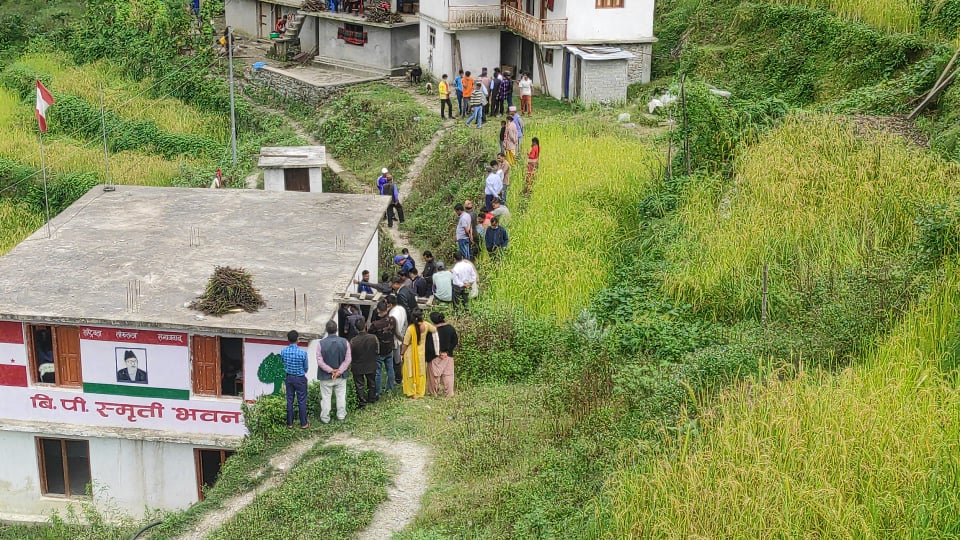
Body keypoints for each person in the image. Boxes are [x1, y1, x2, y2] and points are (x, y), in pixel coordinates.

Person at [316, 320, 352, 424]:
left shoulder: (320, 344)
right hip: (340, 376)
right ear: (336, 329)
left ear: (326, 330)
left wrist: (331, 370)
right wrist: (339, 371)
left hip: (325, 376)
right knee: (341, 396)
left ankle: (325, 418)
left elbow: (319, 361)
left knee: (326, 398)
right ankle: (341, 415)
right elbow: (348, 359)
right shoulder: (345, 342)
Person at [400, 309, 439, 399]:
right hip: (421, 354)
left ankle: (412, 392)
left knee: (410, 372)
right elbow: (434, 329)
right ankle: (419, 391)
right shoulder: (426, 325)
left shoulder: (410, 329)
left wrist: (402, 353)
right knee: (421, 372)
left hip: (410, 354)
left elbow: (405, 344)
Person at [281, 330, 309, 428]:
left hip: (289, 377)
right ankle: (303, 423)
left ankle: (290, 423)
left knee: (289, 400)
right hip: (300, 378)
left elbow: (283, 363)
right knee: (301, 400)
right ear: (298, 339)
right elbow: (306, 368)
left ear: (288, 339)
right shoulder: (302, 353)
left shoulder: (283, 351)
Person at [369, 301, 397, 396]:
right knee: (390, 368)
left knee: (378, 372)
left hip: (379, 350)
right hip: (389, 348)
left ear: (378, 310)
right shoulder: (393, 320)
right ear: (387, 309)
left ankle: (378, 392)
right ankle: (390, 388)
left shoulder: (376, 324)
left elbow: (370, 334)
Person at [350, 319, 379, 408]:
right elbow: (377, 351)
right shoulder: (373, 337)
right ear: (365, 326)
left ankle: (362, 402)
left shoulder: (353, 341)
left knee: (359, 385)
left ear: (356, 328)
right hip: (371, 364)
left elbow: (350, 355)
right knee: (372, 382)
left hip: (357, 366)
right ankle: (372, 398)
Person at [429, 312, 458, 397]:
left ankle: (433, 393)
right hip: (448, 355)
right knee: (448, 375)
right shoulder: (450, 328)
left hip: (435, 356)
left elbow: (430, 344)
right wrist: (447, 351)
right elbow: (455, 341)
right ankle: (449, 393)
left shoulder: (432, 330)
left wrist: (438, 353)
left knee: (434, 376)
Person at [386, 294, 408, 385]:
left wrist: (400, 338)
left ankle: (397, 379)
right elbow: (405, 324)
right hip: (401, 337)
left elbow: (395, 330)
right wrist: (403, 337)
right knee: (398, 359)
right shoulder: (401, 309)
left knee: (396, 360)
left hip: (395, 339)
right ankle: (399, 378)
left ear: (390, 304)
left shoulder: (392, 315)